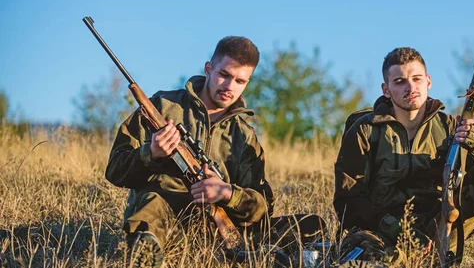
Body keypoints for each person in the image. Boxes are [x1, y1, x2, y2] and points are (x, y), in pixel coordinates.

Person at [106, 36, 325, 268]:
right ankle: (147, 252)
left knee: (313, 224)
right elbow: (115, 170)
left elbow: (262, 207)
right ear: (208, 69)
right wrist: (151, 153)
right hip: (166, 220)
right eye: (224, 75)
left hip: (222, 230)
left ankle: (281, 258)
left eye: (240, 81)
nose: (230, 86)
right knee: (154, 198)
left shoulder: (244, 135)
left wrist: (227, 193)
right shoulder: (162, 106)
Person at [333, 47, 474, 267]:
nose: (410, 87)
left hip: (440, 227)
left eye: (416, 79)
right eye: (400, 81)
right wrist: (396, 229)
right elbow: (347, 200)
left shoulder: (450, 127)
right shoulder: (366, 130)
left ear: (428, 81)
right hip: (382, 230)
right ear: (386, 89)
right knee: (366, 255)